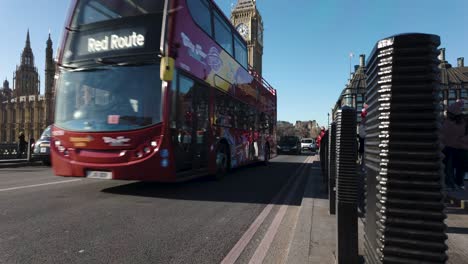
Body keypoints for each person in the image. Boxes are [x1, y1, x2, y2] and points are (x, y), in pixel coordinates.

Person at [441, 100, 468, 190]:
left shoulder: (447, 122)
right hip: (459, 148)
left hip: (452, 147)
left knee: (451, 167)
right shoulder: (462, 122)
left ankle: (452, 183)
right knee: (460, 167)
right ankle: (458, 183)